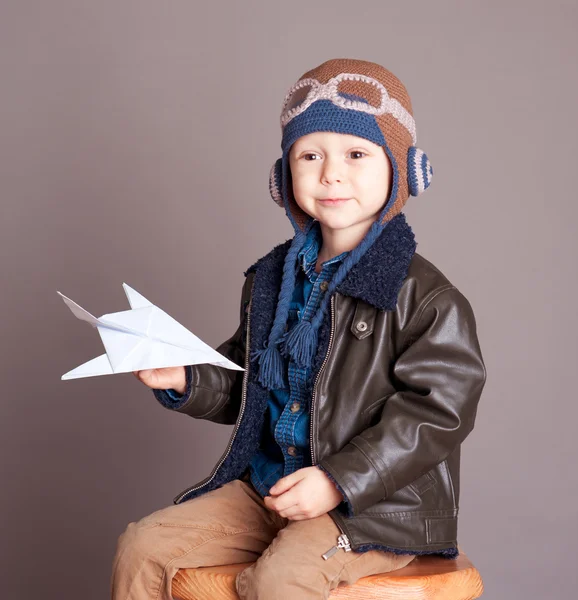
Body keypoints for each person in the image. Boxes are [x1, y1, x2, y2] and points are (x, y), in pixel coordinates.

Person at [111, 57, 487, 600]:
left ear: (404, 171)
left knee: (282, 580)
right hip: (270, 487)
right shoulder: (273, 279)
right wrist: (188, 379)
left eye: (356, 155)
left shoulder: (421, 295)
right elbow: (251, 382)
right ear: (283, 175)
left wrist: (339, 480)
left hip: (371, 508)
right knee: (143, 546)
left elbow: (439, 413)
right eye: (310, 156)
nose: (331, 173)